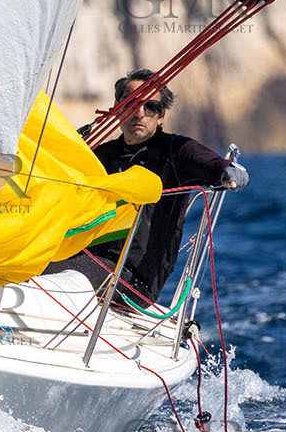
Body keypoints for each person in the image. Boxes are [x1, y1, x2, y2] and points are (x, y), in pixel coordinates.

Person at [47, 69, 248, 302]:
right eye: (131, 104)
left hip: (135, 279)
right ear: (118, 109)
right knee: (30, 263)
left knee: (53, 275)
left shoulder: (175, 152)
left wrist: (230, 172)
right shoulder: (100, 155)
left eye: (150, 107)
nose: (139, 113)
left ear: (161, 115)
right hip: (84, 257)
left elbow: (212, 164)